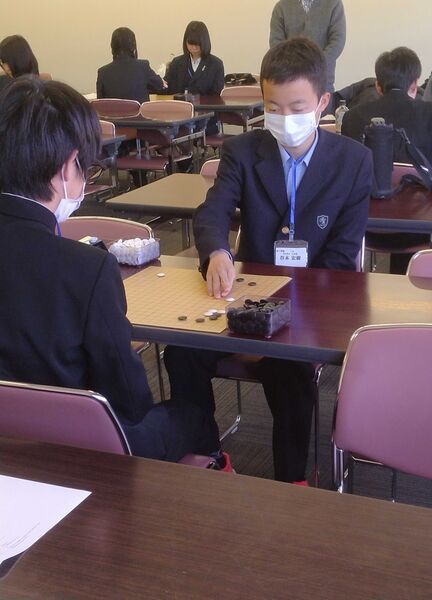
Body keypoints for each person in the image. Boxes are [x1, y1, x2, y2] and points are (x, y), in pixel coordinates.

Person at [164, 37, 372, 484]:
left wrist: (292, 304)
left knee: (289, 368)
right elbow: (213, 211)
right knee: (182, 352)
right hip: (245, 298)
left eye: (297, 108)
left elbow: (341, 256)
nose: (285, 118)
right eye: (274, 107)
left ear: (322, 102)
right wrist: (217, 252)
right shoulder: (243, 150)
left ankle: (292, 481)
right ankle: (207, 453)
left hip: (312, 302)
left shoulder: (354, 162)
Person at [0, 76, 218, 463]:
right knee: (191, 415)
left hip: (8, 441)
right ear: (68, 167)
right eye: (87, 167)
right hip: (80, 449)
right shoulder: (87, 269)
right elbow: (129, 403)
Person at [341, 47, 432, 163]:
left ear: (377, 86)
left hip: (369, 175)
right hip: (419, 175)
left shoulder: (351, 117)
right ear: (415, 84)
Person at [269, 0, 346, 93]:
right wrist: (294, 67)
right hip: (289, 80)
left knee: (324, 101)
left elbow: (337, 41)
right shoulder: (281, 7)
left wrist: (315, 65)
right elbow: (276, 45)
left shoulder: (334, 4)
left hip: (322, 81)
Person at [97, 27, 165, 103]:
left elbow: (100, 103)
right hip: (139, 111)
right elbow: (160, 86)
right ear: (133, 45)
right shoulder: (143, 66)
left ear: (112, 46)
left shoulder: (102, 72)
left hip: (113, 111)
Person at [165, 21, 224, 97]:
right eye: (190, 43)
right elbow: (166, 87)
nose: (194, 47)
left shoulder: (216, 64)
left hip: (206, 104)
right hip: (181, 104)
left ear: (204, 42)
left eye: (197, 44)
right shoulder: (176, 62)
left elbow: (216, 95)